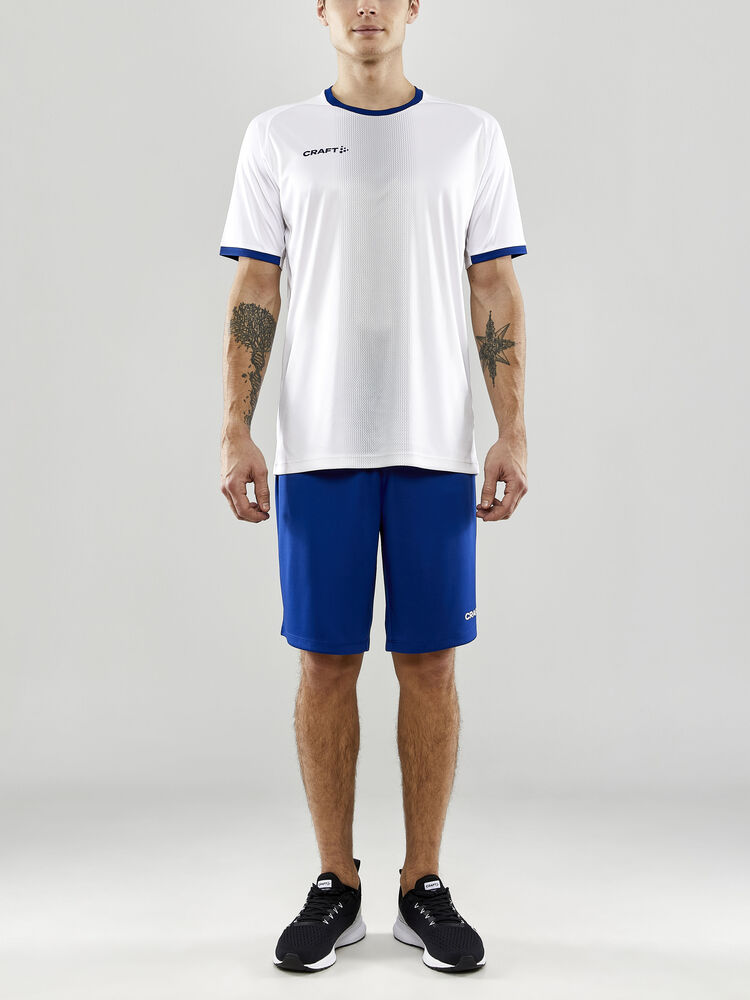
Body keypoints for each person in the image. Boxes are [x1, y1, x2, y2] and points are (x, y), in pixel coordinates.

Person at [218, 0, 528, 975]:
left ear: (412, 8)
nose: (365, 7)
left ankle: (422, 885)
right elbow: (257, 286)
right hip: (317, 447)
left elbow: (493, 286)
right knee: (326, 664)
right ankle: (336, 883)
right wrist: (237, 425)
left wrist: (511, 428)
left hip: (437, 444)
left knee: (430, 664)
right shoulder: (277, 137)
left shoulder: (470, 135)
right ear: (320, 9)